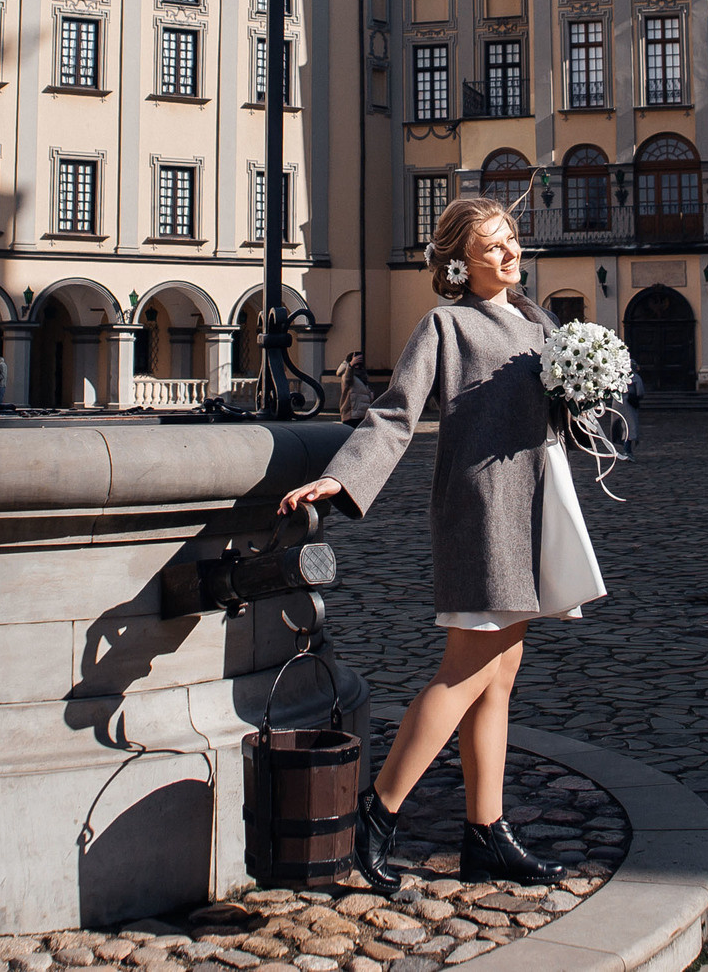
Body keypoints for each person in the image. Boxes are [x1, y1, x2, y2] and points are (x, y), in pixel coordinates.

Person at [277, 196, 606, 893]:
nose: (510, 254)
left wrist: (589, 399)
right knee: (464, 669)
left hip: (539, 505)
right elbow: (395, 415)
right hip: (482, 512)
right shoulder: (445, 325)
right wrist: (339, 478)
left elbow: (553, 411)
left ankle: (486, 833)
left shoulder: (540, 320)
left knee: (500, 675)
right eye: (492, 247)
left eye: (512, 240)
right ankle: (375, 815)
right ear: (460, 262)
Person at [335, 350, 374, 425]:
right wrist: (351, 365)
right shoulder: (347, 374)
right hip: (352, 415)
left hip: (362, 415)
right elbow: (347, 380)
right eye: (357, 360)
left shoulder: (362, 376)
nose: (359, 363)